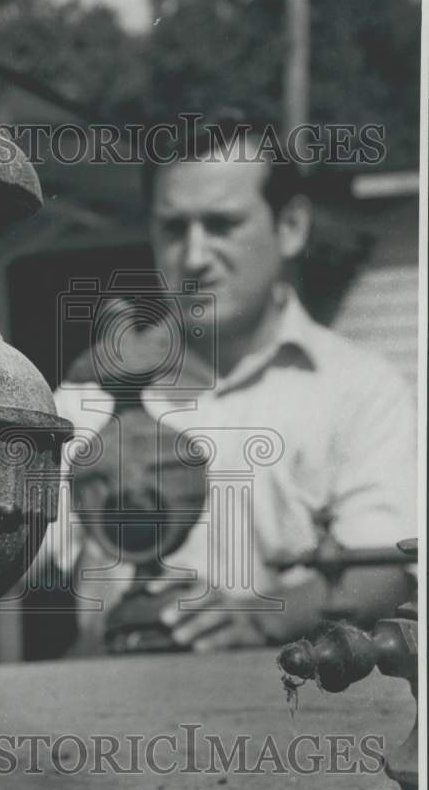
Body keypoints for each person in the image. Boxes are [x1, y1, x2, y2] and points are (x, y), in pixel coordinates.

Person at [33, 120, 416, 655]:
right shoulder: (85, 398)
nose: (193, 257)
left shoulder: (360, 388)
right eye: (173, 228)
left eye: (221, 224)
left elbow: (390, 568)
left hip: (289, 714)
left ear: (291, 226)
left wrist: (263, 617)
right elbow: (11, 563)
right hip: (116, 719)